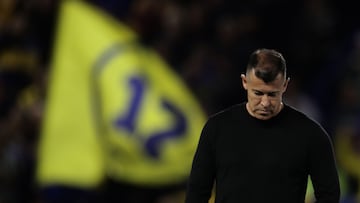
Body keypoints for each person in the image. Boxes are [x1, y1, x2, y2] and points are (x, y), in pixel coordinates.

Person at [185, 48, 340, 203]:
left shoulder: (311, 135)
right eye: (258, 93)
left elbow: (329, 194)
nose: (265, 103)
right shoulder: (216, 129)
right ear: (244, 82)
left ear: (285, 85)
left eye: (272, 94)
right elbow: (197, 193)